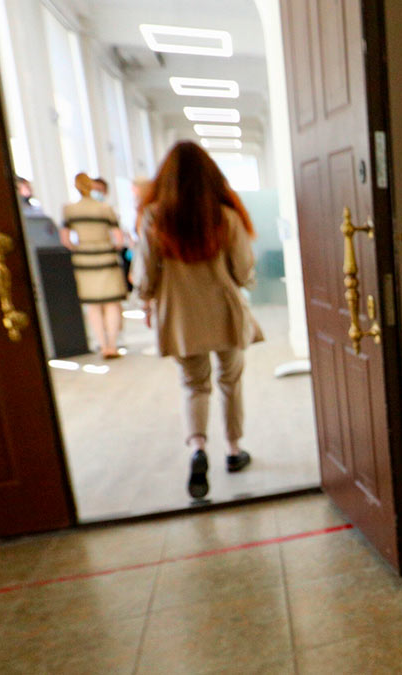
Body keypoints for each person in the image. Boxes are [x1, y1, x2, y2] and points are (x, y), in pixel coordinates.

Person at [134, 141, 262, 499]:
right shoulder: (226, 217)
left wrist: (146, 301)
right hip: (224, 310)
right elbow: (243, 271)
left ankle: (198, 449)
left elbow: (146, 272)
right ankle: (234, 450)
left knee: (194, 384)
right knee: (230, 379)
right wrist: (243, 282)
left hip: (180, 314)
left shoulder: (153, 217)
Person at [61, 172, 126, 358]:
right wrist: (110, 247)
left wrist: (79, 248)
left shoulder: (69, 210)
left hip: (84, 258)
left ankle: (102, 345)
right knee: (112, 302)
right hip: (106, 256)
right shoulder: (105, 208)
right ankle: (112, 345)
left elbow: (65, 240)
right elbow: (119, 239)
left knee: (93, 305)